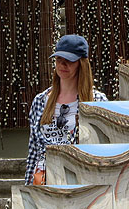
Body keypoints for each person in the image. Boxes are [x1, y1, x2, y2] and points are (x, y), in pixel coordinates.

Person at [24, 34, 107, 185]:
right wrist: (28, 190)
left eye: (69, 60)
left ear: (81, 64)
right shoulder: (40, 101)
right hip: (45, 181)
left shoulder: (97, 101)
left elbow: (103, 150)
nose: (62, 64)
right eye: (58, 59)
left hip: (81, 180)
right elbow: (34, 152)